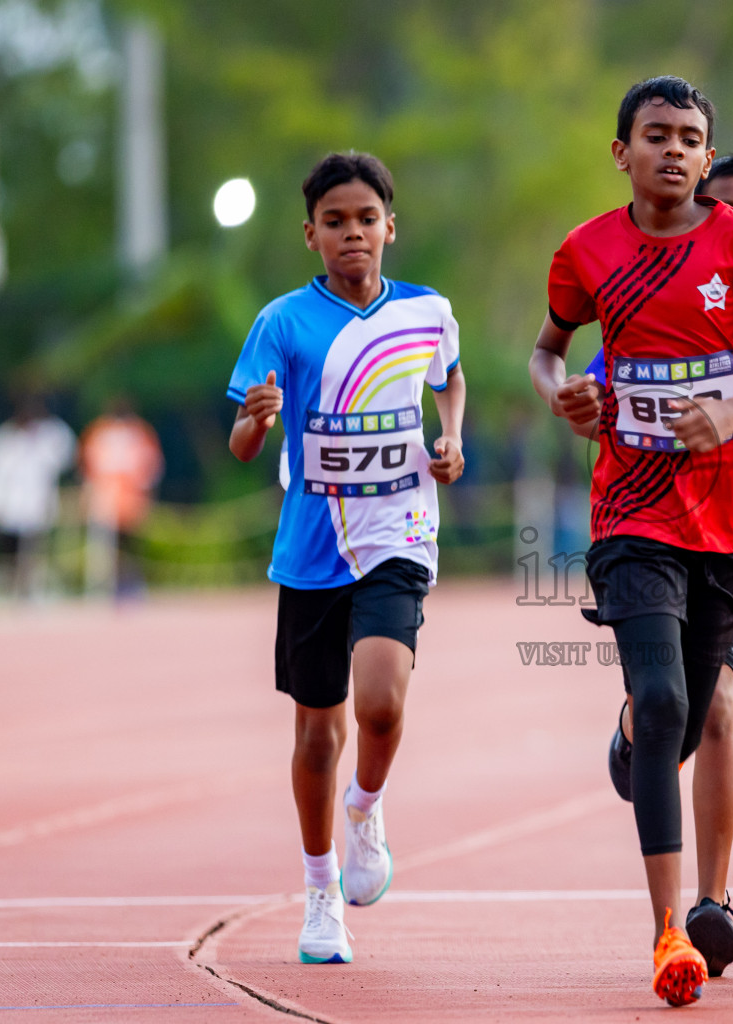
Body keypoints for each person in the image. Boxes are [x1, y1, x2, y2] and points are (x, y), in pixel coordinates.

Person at [529, 76, 733, 1006]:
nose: (672, 150)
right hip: (632, 512)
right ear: (621, 151)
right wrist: (562, 393)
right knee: (662, 700)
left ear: (707, 156)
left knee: (690, 717)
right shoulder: (586, 251)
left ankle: (634, 737)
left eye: (689, 138)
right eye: (654, 135)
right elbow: (547, 350)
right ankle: (668, 933)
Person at [226, 152, 465, 966]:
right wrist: (258, 420)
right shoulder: (282, 324)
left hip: (397, 533)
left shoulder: (428, 312)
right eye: (335, 222)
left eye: (366, 219)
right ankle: (321, 890)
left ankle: (366, 810)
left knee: (383, 703)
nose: (352, 233)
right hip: (312, 549)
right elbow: (242, 444)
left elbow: (450, 380)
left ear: (390, 227)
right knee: (317, 730)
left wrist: (452, 435)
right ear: (310, 235)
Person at [580, 153, 733, 968]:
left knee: (715, 712)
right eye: (727, 210)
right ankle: (681, 918)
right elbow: (598, 388)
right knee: (682, 708)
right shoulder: (658, 301)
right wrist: (583, 401)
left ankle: (713, 897)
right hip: (652, 527)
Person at [0, 394, 76, 602]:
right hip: (8, 510)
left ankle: (31, 590)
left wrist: (48, 420)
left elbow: (66, 451)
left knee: (34, 553)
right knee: (9, 554)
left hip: (34, 508)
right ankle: (12, 590)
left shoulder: (44, 438)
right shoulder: (2, 439)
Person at [79, 396, 164, 598]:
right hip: (106, 498)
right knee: (104, 548)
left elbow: (151, 467)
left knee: (131, 545)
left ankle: (130, 585)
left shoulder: (139, 433)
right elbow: (88, 465)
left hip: (130, 499)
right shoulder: (99, 431)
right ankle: (102, 588)